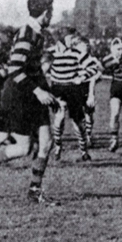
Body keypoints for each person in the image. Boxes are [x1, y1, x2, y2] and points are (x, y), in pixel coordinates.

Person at [0, 0, 59, 204]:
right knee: (23, 148)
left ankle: (35, 192)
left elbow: (32, 69)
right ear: (45, 13)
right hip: (19, 96)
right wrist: (38, 91)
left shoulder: (37, 33)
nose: (52, 15)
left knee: (46, 143)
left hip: (32, 94)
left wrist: (47, 92)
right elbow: (15, 69)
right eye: (51, 12)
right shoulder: (27, 33)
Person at [45, 28, 97, 161]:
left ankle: (84, 150)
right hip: (57, 88)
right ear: (62, 39)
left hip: (73, 90)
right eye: (70, 38)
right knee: (60, 116)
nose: (73, 41)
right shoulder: (50, 52)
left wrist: (82, 76)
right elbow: (42, 68)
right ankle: (57, 146)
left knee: (78, 124)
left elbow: (93, 68)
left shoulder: (77, 53)